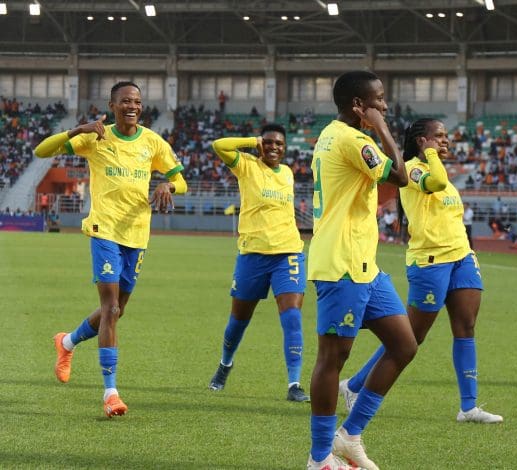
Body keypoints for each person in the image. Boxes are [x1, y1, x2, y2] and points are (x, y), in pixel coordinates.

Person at [34, 81, 187, 417]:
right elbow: (41, 151)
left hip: (137, 234)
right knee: (110, 307)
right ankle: (110, 393)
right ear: (112, 105)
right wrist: (77, 129)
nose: (132, 106)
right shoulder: (96, 137)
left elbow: (182, 179)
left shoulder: (152, 141)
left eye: (137, 101)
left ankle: (67, 342)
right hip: (104, 230)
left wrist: (167, 183)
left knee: (116, 311)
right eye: (125, 101)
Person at [339, 117, 503, 425]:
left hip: (461, 258)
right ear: (421, 141)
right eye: (438, 136)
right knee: (410, 337)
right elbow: (437, 183)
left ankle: (468, 407)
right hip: (430, 262)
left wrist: (467, 252)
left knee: (466, 327)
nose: (445, 141)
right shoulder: (412, 168)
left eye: (445, 136)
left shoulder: (437, 169)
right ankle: (353, 385)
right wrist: (429, 153)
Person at [306, 70, 417, 470]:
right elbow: (401, 176)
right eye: (379, 100)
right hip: (341, 265)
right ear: (359, 105)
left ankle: (349, 437)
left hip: (364, 265)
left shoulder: (335, 135)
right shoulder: (352, 139)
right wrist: (382, 127)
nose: (385, 106)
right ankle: (319, 458)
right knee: (332, 358)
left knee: (404, 345)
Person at [207, 124, 309, 403]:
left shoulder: (288, 173)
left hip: (288, 253)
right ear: (261, 145)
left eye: (279, 144)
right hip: (252, 255)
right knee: (238, 321)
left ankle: (294, 384)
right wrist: (253, 141)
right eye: (269, 142)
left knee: (291, 316)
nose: (274, 147)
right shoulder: (247, 165)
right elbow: (219, 145)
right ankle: (225, 365)